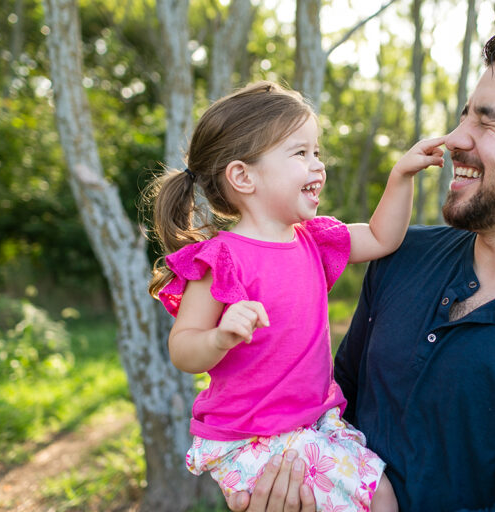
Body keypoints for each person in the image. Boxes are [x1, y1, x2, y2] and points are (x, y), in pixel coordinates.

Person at [227, 26, 495, 512]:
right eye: (463, 116)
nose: (455, 140)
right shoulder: (401, 257)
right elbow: (330, 408)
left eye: (489, 123)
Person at [147, 81, 445, 512]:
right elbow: (183, 348)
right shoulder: (221, 258)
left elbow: (382, 237)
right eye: (300, 153)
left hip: (312, 423)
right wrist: (219, 338)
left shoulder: (313, 241)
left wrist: (400, 175)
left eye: (317, 152)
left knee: (381, 495)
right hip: (255, 438)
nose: (317, 165)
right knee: (379, 499)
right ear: (243, 176)